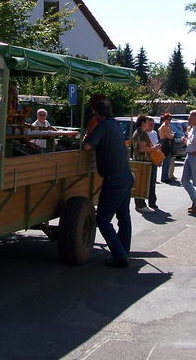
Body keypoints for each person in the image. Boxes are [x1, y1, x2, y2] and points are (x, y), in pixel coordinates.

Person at [83, 98, 133, 268]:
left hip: (115, 180)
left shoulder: (103, 126)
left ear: (97, 113)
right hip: (126, 176)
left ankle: (120, 256)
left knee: (103, 220)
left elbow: (87, 146)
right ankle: (124, 251)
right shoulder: (115, 124)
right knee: (123, 217)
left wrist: (85, 139)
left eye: (93, 112)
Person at [131, 115, 160, 212]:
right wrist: (154, 148)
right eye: (147, 122)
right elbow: (142, 148)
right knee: (142, 183)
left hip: (139, 160)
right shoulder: (142, 133)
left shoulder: (137, 131)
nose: (149, 124)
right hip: (143, 161)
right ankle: (141, 205)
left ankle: (140, 204)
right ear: (143, 123)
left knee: (141, 183)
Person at [158, 113, 177, 182]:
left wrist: (172, 134)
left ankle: (166, 176)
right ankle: (164, 178)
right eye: (168, 119)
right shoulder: (164, 126)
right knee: (166, 162)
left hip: (168, 143)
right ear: (164, 119)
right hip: (165, 143)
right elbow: (170, 136)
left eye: (170, 119)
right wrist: (173, 135)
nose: (169, 121)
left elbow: (171, 134)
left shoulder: (167, 126)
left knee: (168, 161)